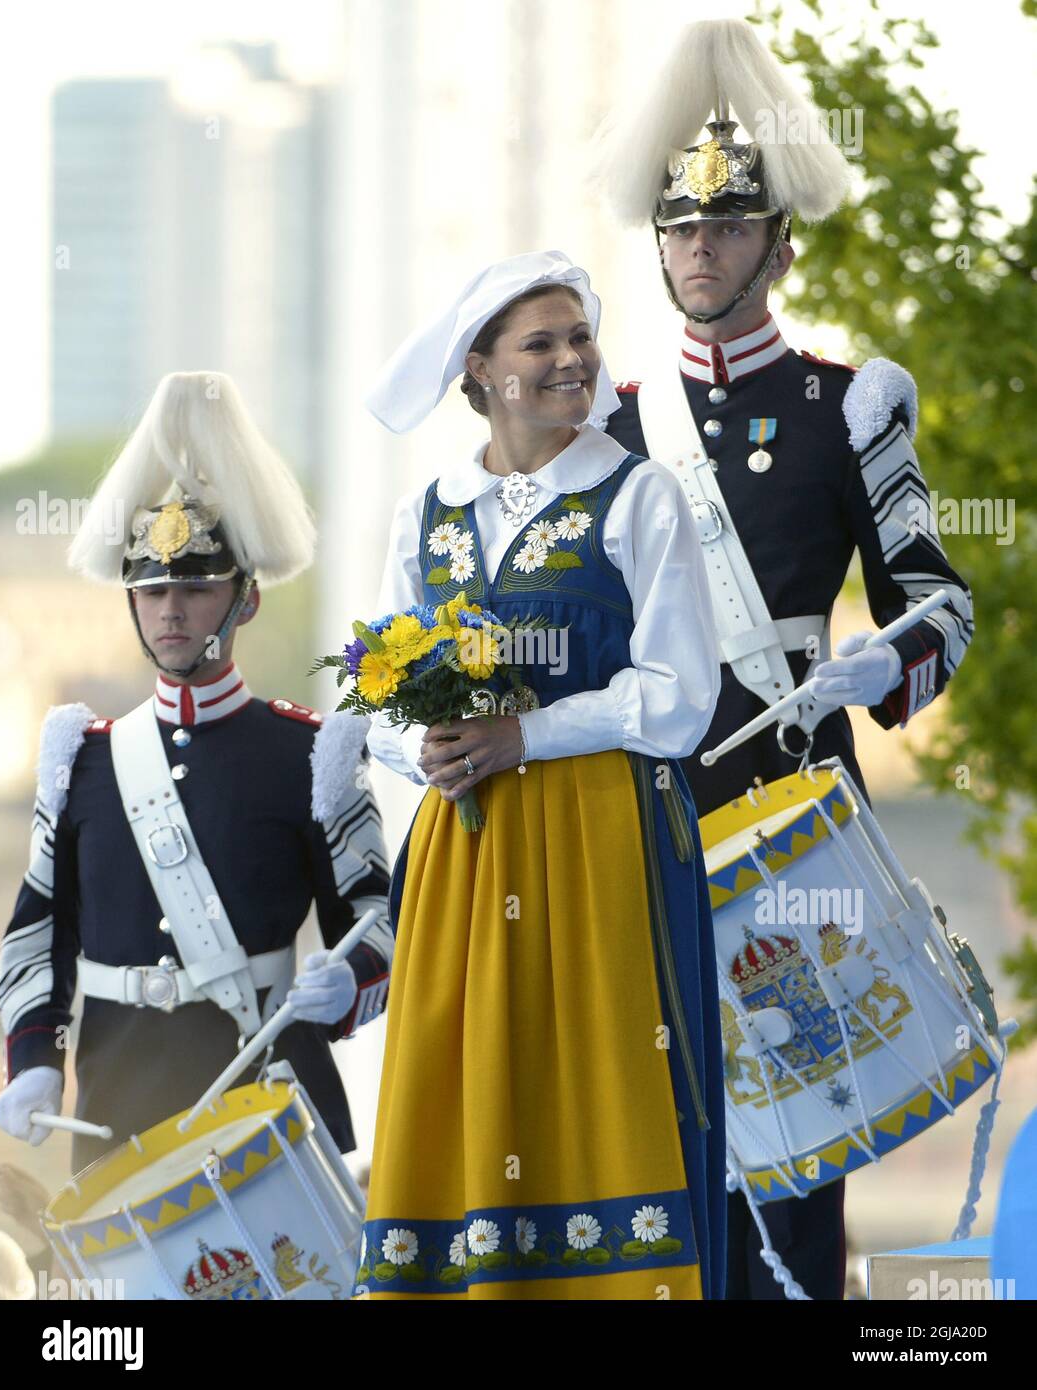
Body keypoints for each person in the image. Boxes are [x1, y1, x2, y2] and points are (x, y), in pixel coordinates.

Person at [595, 19, 974, 1299]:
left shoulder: (849, 401)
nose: (700, 248)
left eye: (726, 227)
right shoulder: (609, 429)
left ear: (777, 241)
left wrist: (883, 661)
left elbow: (942, 603)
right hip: (644, 828)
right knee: (657, 1154)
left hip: (797, 824)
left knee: (800, 1168)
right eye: (680, 230)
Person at [357, 250, 725, 1300]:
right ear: (479, 369)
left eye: (579, 337)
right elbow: (376, 694)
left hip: (600, 838)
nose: (572, 359)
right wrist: (415, 743)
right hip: (461, 855)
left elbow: (680, 697)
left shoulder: (634, 492)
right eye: (541, 343)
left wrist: (529, 736)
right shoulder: (424, 511)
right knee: (460, 1075)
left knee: (601, 1076)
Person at [0, 371, 394, 1176]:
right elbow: (39, 930)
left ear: (244, 601)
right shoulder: (85, 757)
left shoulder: (311, 754)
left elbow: (382, 913)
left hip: (269, 1097)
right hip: (115, 1108)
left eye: (195, 589)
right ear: (132, 606)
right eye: (153, 592)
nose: (171, 610)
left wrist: (346, 982)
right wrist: (35, 1054)